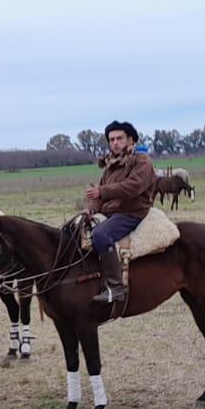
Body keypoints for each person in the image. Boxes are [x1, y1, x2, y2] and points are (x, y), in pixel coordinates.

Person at [83, 120, 155, 303]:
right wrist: (92, 209)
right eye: (111, 139)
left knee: (100, 235)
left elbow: (133, 187)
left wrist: (102, 192)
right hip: (111, 212)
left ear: (131, 140)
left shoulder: (142, 162)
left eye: (119, 138)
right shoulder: (111, 167)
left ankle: (116, 288)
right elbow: (100, 196)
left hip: (131, 212)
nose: (115, 142)